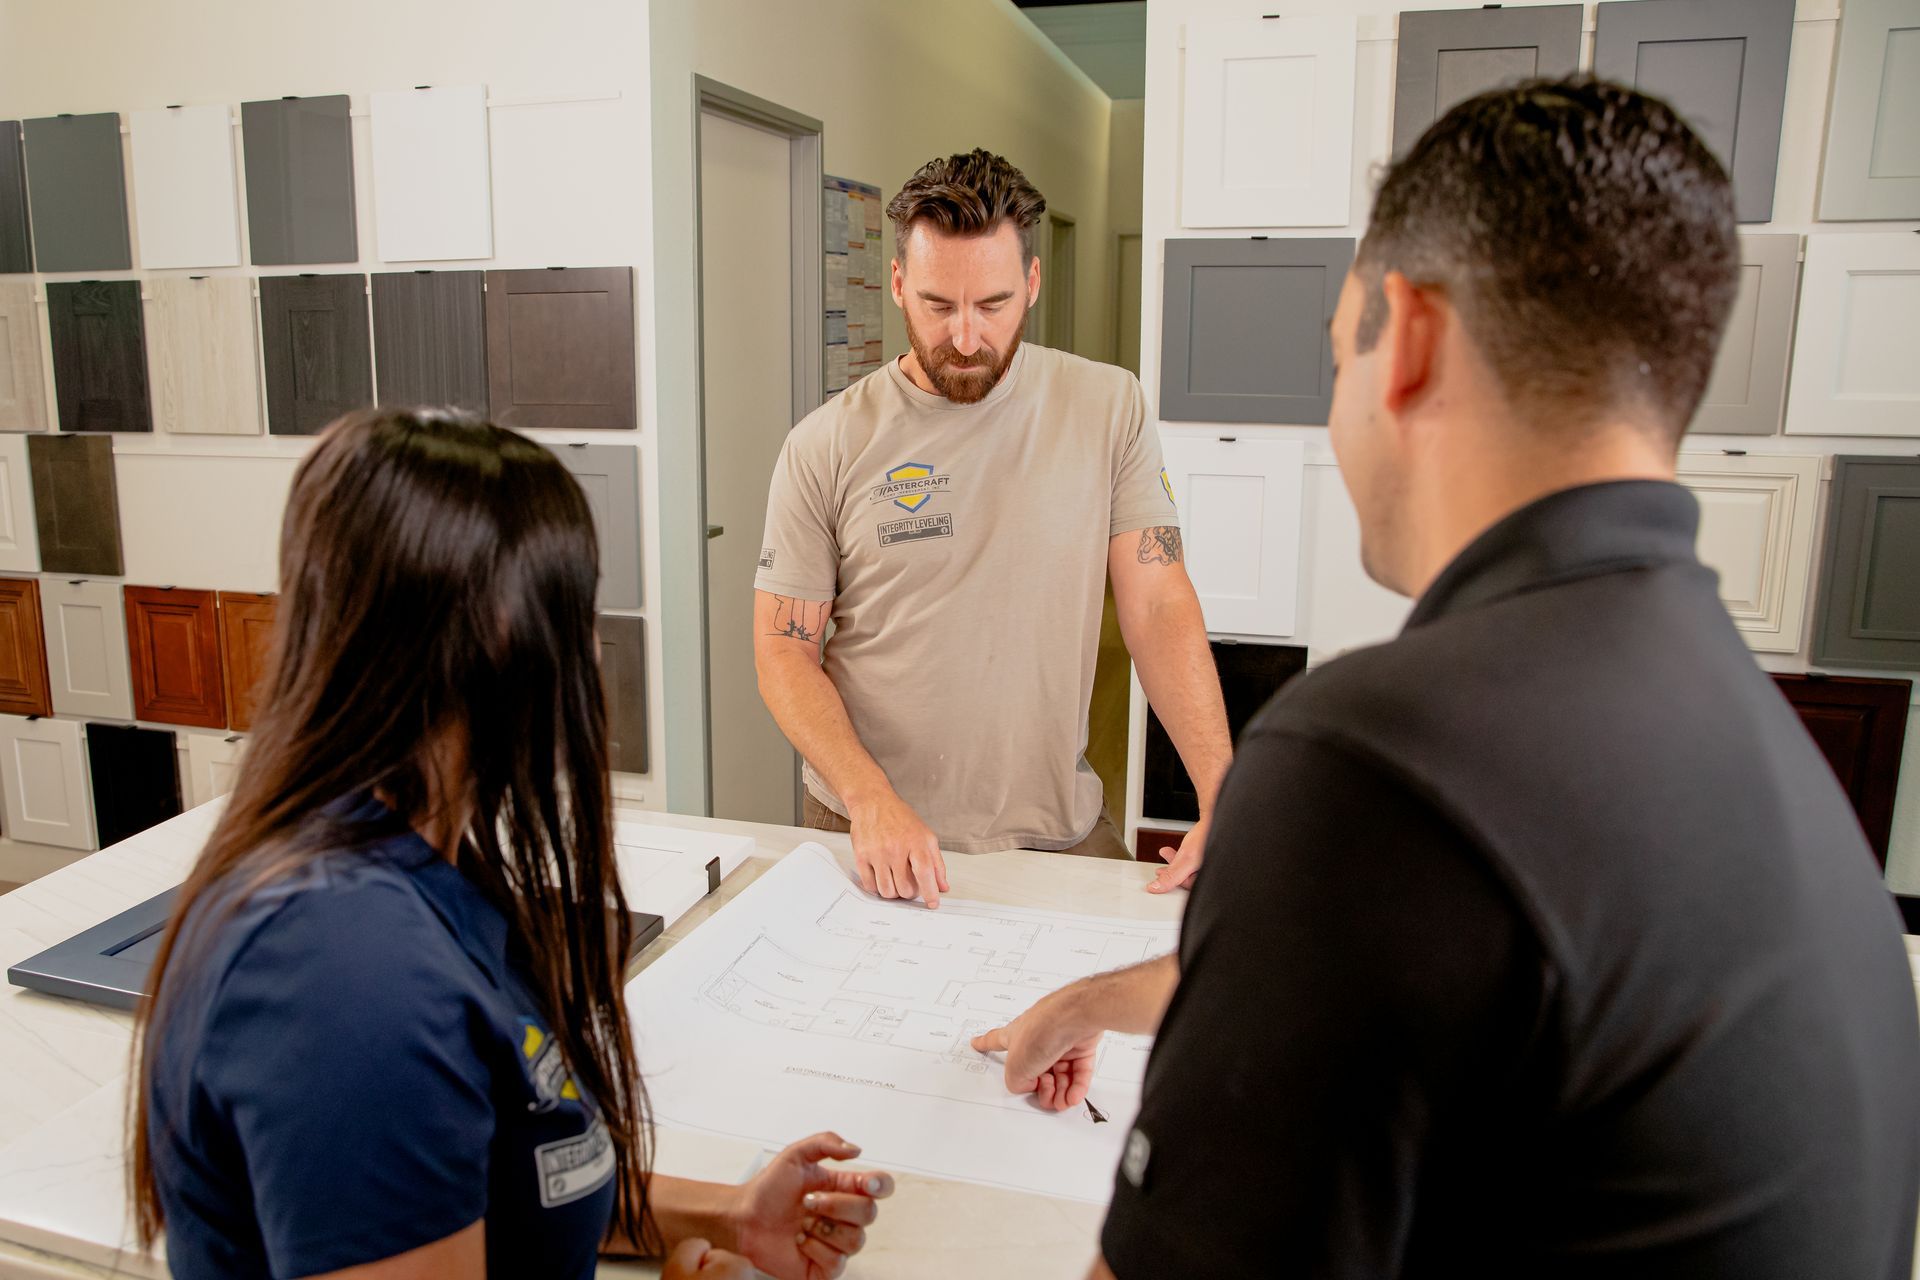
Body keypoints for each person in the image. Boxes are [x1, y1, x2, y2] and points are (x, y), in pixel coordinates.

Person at [972, 79, 1920, 1277]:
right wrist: (1099, 998)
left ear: (1407, 339)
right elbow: (1455, 982)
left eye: (1335, 358)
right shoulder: (1766, 750)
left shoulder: (1372, 759)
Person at [132, 409, 891, 1280]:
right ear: (498, 634)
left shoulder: (427, 867)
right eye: (572, 614)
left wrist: (725, 1213)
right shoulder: (341, 974)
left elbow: (498, 1178)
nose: (590, 659)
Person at [755, 149, 1231, 907]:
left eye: (994, 304)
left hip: (1054, 828)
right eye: (940, 306)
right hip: (865, 825)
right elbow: (784, 649)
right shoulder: (826, 444)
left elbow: (1158, 604)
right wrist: (869, 797)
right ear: (900, 286)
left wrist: (1221, 789)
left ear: (1033, 286)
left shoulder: (1109, 409)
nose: (968, 338)